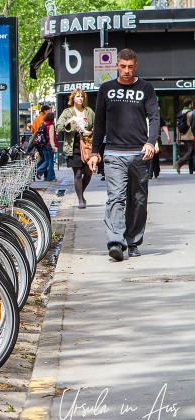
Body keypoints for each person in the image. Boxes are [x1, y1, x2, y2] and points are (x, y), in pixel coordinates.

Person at [88, 48, 160, 262]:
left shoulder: (146, 88)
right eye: (122, 66)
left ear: (135, 66)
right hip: (113, 154)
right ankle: (115, 243)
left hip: (140, 154)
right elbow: (99, 122)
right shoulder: (106, 89)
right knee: (116, 198)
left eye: (130, 67)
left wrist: (150, 142)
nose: (126, 71)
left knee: (138, 200)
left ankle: (133, 241)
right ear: (117, 65)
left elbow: (155, 118)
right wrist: (94, 153)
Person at [57, 88, 95, 209]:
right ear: (73, 98)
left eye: (82, 96)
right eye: (78, 96)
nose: (80, 98)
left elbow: (98, 125)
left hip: (87, 145)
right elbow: (58, 128)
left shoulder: (89, 112)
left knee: (88, 172)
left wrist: (91, 131)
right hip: (74, 146)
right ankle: (80, 200)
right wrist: (69, 123)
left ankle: (80, 193)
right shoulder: (67, 112)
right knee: (78, 173)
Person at [34, 111, 58, 182]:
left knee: (47, 160)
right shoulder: (50, 125)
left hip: (43, 145)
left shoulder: (43, 124)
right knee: (50, 161)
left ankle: (52, 176)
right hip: (49, 145)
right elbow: (51, 137)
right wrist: (53, 146)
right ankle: (44, 173)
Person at [149, 111, 170, 179]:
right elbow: (164, 126)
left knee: (151, 155)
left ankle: (151, 172)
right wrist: (168, 136)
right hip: (157, 138)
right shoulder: (158, 117)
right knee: (156, 155)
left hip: (149, 138)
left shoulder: (146, 117)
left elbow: (163, 126)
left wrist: (168, 136)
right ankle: (156, 171)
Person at [175, 98, 194, 174]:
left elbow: (177, 126)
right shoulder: (191, 113)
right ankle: (180, 162)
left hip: (183, 136)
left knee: (190, 152)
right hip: (190, 136)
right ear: (190, 104)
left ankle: (191, 171)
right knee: (191, 152)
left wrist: (178, 138)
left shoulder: (180, 113)